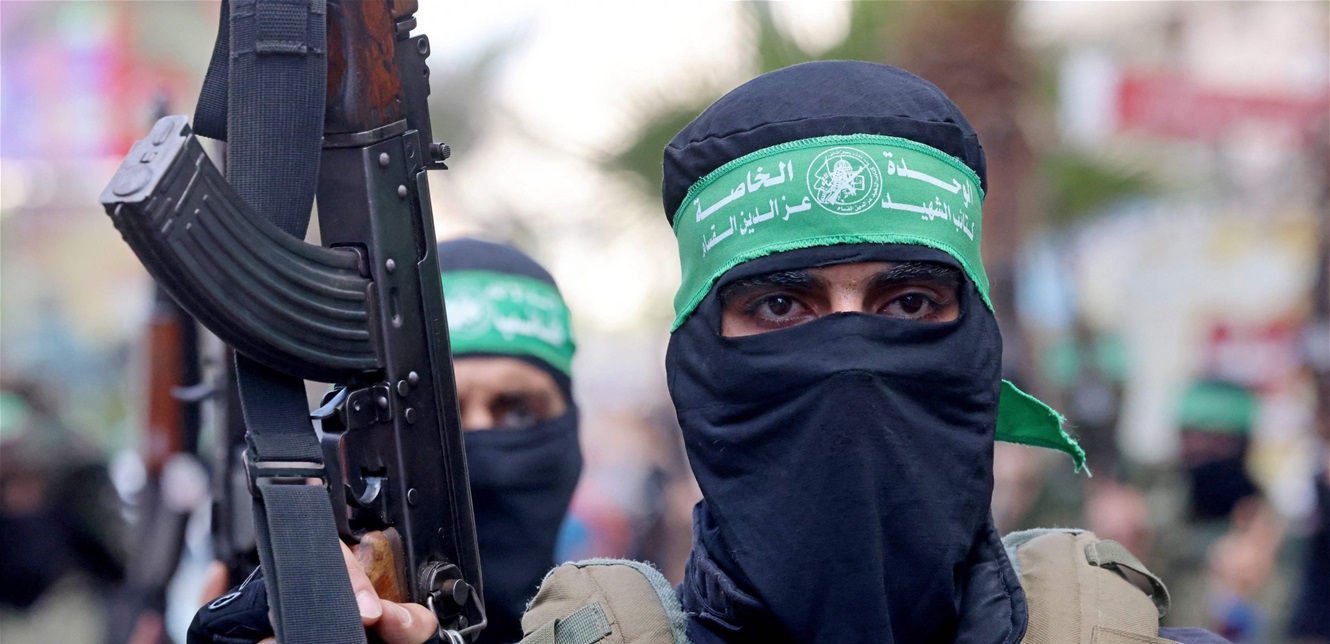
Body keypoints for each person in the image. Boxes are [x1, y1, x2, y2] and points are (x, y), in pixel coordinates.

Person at [189, 238, 582, 644]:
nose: (479, 437)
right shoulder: (339, 602)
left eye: (518, 412)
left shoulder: (620, 620)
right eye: (442, 415)